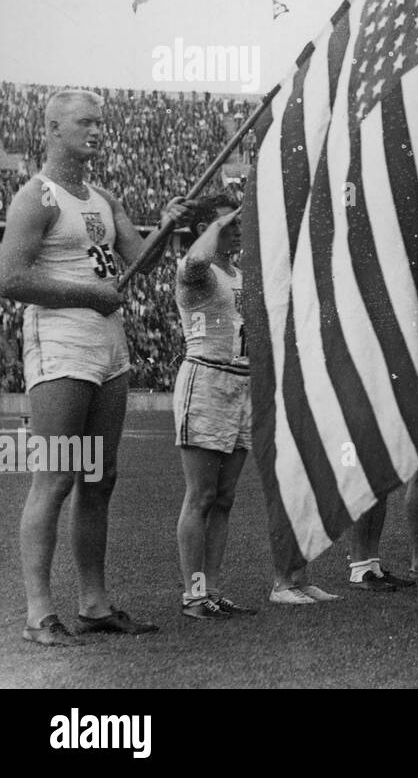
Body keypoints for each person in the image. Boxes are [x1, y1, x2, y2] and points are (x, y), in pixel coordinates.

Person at [0, 89, 191, 645]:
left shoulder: (104, 197)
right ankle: (39, 613)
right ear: (54, 128)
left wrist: (167, 226)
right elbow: (9, 278)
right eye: (86, 123)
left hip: (108, 343)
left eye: (101, 123)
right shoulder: (36, 197)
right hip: (60, 343)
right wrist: (88, 295)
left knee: (99, 478)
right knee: (56, 475)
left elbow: (139, 262)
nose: (99, 131)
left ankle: (94, 604)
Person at [171, 195, 258, 619]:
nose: (238, 229)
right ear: (209, 228)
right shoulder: (197, 273)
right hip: (206, 379)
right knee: (201, 494)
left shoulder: (239, 274)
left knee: (225, 497)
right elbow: (194, 261)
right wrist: (214, 224)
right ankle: (194, 594)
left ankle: (214, 590)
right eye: (229, 224)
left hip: (242, 384)